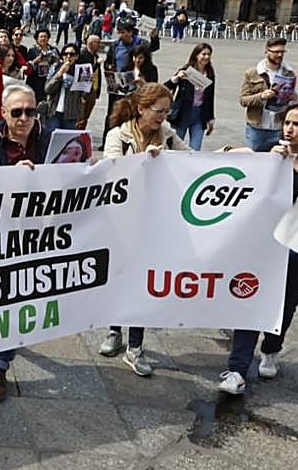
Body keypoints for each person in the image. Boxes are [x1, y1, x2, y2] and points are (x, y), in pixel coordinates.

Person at [219, 102, 298, 395]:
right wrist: (264, 160)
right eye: (287, 123)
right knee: (250, 298)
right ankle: (237, 369)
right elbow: (233, 162)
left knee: (286, 303)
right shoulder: (271, 147)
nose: (289, 129)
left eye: (297, 124)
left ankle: (271, 348)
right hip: (261, 241)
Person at [100, 83, 191, 376]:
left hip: (153, 221)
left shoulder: (168, 135)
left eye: (167, 111)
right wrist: (142, 161)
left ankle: (135, 347)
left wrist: (231, 153)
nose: (163, 117)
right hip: (121, 220)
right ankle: (115, 330)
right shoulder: (119, 135)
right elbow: (110, 170)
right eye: (159, 111)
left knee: (141, 282)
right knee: (118, 278)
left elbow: (194, 159)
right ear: (141, 109)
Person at [0, 84, 46, 402]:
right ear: (3, 113)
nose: (24, 118)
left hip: (34, 230)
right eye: (17, 112)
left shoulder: (46, 135)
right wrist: (10, 176)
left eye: (30, 111)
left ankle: (1, 366)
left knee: (18, 295)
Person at [239, 37, 298, 150]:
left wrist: (293, 98)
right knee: (254, 159)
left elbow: (292, 101)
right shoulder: (253, 73)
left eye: (282, 52)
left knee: (277, 161)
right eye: (276, 52)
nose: (280, 55)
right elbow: (243, 100)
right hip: (257, 127)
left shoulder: (289, 73)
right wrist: (261, 96)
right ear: (266, 52)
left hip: (279, 127)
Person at [164, 43, 216, 150]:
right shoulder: (187, 70)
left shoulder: (210, 74)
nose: (206, 57)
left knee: (195, 148)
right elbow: (167, 86)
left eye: (209, 54)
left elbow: (210, 97)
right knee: (176, 146)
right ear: (196, 55)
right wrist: (177, 77)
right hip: (183, 112)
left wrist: (210, 119)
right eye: (204, 54)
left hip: (199, 114)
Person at [44, 43, 85, 132]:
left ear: (76, 57)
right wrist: (59, 74)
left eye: (72, 54)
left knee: (67, 141)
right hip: (54, 111)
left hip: (71, 114)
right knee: (51, 139)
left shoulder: (81, 71)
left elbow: (84, 94)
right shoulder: (55, 68)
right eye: (65, 54)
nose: (68, 56)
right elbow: (48, 89)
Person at [75, 34, 102, 130]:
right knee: (80, 118)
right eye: (98, 43)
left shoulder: (95, 55)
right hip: (84, 91)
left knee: (86, 117)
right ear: (91, 43)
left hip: (93, 90)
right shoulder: (82, 55)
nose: (100, 45)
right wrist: (97, 64)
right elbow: (86, 73)